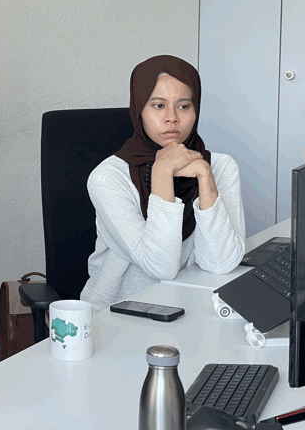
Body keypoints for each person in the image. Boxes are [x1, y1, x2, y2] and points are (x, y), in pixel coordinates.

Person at [80, 55, 245, 311]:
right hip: (118, 314)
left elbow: (221, 263)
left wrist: (205, 178)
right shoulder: (109, 178)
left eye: (184, 106)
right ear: (138, 110)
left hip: (192, 306)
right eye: (158, 106)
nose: (172, 118)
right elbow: (160, 266)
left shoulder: (219, 167)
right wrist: (162, 174)